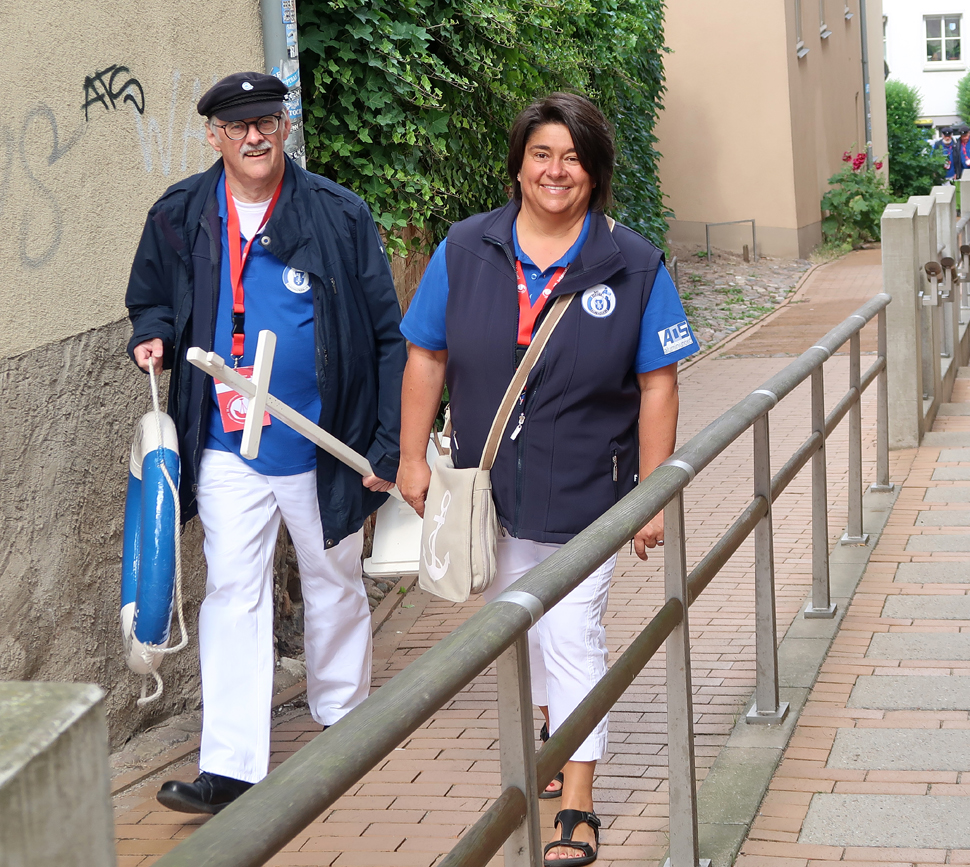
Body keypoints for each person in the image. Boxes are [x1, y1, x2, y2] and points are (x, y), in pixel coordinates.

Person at [397, 92, 699, 866]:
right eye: (541, 154)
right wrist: (408, 457)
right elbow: (426, 355)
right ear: (517, 167)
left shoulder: (632, 263)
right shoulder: (465, 250)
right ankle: (553, 721)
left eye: (572, 157)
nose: (555, 170)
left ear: (594, 174)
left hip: (588, 493)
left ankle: (577, 803)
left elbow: (658, 382)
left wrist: (653, 493)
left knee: (573, 636)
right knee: (514, 630)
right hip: (487, 491)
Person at [125, 72, 406, 813]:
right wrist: (150, 335)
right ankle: (230, 763)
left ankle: (344, 722)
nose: (254, 135)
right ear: (214, 135)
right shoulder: (182, 213)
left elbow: (387, 335)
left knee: (334, 580)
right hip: (225, 445)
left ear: (284, 128)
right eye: (237, 124)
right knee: (232, 592)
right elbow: (150, 295)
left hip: (323, 441)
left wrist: (387, 445)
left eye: (267, 120)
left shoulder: (338, 215)